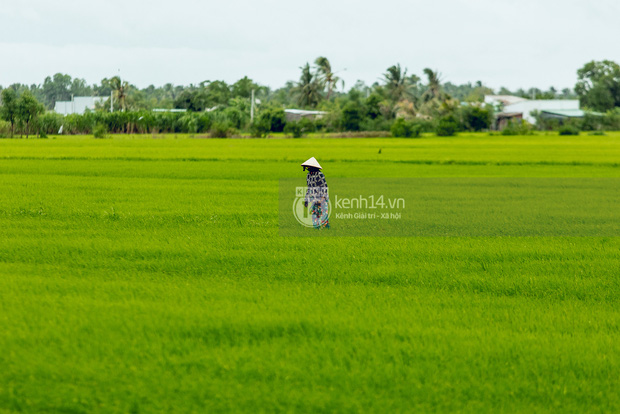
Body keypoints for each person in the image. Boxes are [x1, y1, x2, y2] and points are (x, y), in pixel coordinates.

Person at [301, 157, 330, 229]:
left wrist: (322, 198)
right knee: (314, 214)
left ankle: (326, 229)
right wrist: (306, 200)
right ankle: (316, 228)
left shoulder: (319, 174)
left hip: (321, 198)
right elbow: (309, 188)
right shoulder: (308, 175)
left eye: (309, 166)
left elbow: (324, 186)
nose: (307, 168)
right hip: (314, 198)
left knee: (323, 214)